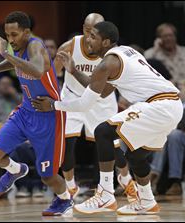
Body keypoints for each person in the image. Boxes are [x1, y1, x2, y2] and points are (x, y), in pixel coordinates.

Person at [32, 21, 183, 215]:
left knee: (103, 131)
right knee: (135, 155)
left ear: (106, 42)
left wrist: (53, 105)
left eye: (93, 36)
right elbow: (103, 92)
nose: (88, 39)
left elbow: (85, 104)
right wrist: (74, 70)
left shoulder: (108, 63)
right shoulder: (125, 52)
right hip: (171, 105)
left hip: (159, 105)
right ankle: (146, 200)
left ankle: (105, 194)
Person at [0, 11, 73, 216]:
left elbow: (36, 70)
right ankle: (16, 170)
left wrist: (6, 53)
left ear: (27, 32)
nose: (10, 39)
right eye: (7, 35)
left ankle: (65, 199)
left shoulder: (35, 45)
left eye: (14, 35)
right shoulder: (17, 47)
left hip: (48, 116)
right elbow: (14, 61)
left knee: (48, 176)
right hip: (25, 112)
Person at [52, 13, 137, 203]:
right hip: (73, 98)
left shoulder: (112, 54)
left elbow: (107, 88)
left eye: (96, 32)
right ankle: (71, 186)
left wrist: (74, 70)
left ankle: (125, 179)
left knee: (112, 146)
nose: (91, 36)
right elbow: (52, 74)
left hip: (101, 100)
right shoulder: (69, 47)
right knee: (66, 144)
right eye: (89, 31)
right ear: (83, 29)